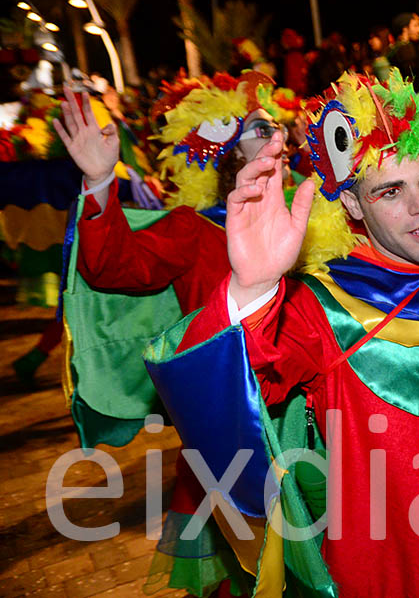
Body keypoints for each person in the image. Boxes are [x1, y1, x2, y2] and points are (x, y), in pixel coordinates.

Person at [144, 70, 419, 597]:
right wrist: (250, 291)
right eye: (390, 190)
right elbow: (211, 402)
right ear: (352, 205)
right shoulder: (321, 311)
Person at [55, 71, 291, 596]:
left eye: (276, 126)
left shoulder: (314, 218)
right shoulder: (195, 228)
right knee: (247, 567)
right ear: (225, 151)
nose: (276, 135)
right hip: (236, 426)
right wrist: (99, 181)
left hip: (312, 420)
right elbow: (112, 265)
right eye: (259, 128)